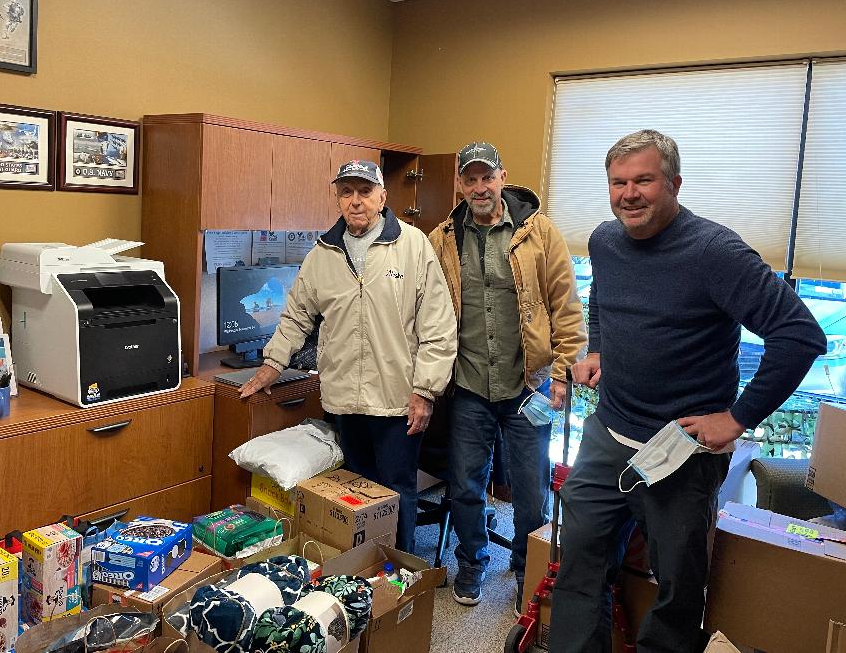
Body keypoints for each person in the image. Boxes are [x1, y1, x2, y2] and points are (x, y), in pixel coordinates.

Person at [547, 130, 826, 652]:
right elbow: (602, 297)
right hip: (609, 433)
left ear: (674, 183)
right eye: (618, 182)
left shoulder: (715, 253)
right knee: (579, 563)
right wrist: (599, 349)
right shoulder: (605, 240)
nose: (629, 193)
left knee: (678, 588)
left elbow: (800, 336)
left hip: (681, 451)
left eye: (644, 180)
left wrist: (738, 418)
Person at [238, 159, 457, 553]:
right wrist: (272, 365)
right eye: (346, 192)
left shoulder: (412, 245)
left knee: (396, 490)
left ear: (382, 197)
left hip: (397, 401)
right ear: (337, 199)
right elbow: (296, 315)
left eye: (365, 192)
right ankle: (362, 571)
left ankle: (402, 577)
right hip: (345, 398)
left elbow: (438, 326)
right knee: (356, 489)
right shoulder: (322, 253)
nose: (356, 201)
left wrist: (425, 391)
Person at [428, 142, 586, 609]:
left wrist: (562, 373)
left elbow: (566, 307)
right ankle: (472, 562)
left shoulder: (539, 233)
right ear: (460, 183)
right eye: (470, 179)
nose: (479, 187)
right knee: (465, 485)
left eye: (486, 177)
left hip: (528, 387)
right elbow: (428, 311)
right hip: (470, 387)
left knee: (531, 491)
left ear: (502, 176)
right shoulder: (443, 239)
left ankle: (525, 570)